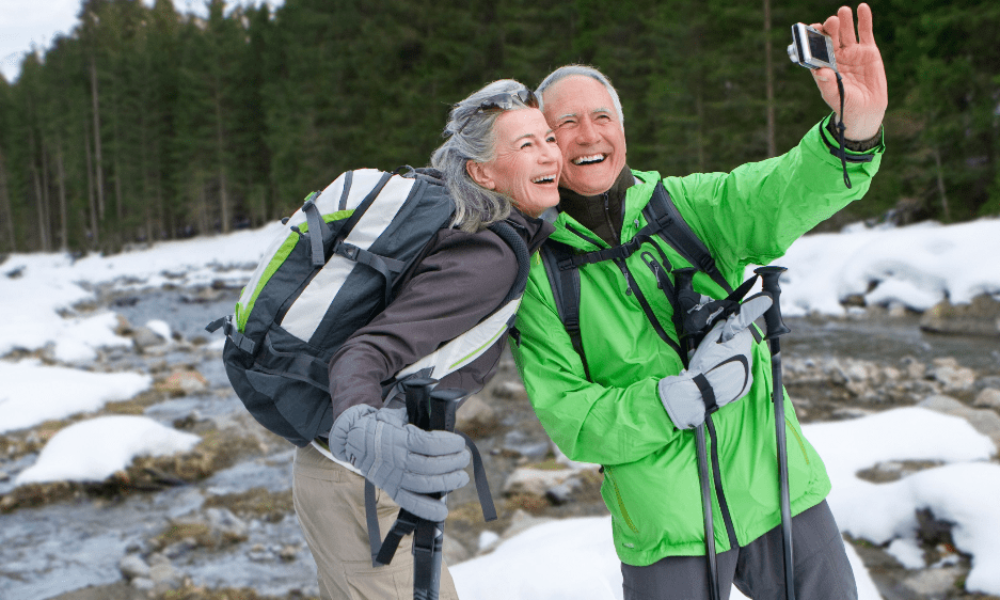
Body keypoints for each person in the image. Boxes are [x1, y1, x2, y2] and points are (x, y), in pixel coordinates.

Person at [509, 4, 886, 600]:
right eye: (565, 126)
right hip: (663, 525)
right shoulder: (538, 270)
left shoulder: (689, 208)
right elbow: (572, 420)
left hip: (779, 487)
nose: (588, 135)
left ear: (623, 128)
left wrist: (853, 132)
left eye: (602, 116)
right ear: (543, 147)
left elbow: (782, 190)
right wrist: (673, 402)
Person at [290, 79, 559, 600]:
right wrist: (362, 430)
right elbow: (363, 352)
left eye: (548, 138)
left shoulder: (468, 221)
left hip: (351, 475)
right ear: (482, 173)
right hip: (361, 478)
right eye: (527, 145)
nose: (550, 152)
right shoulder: (488, 256)